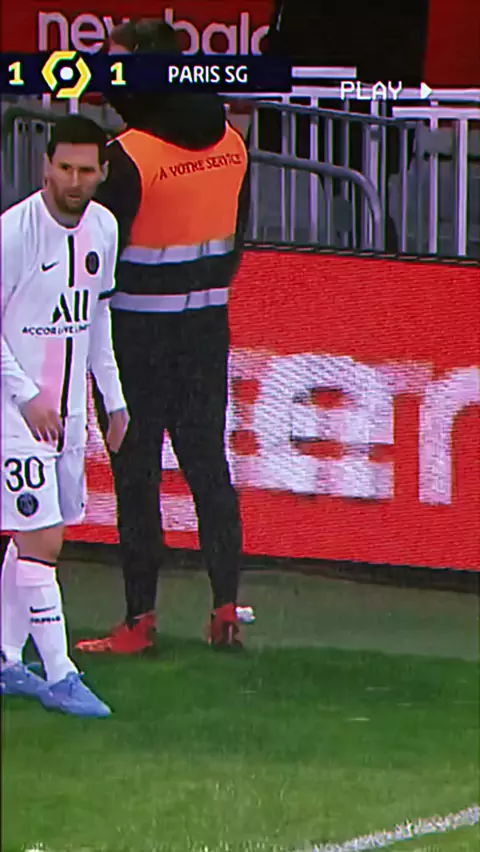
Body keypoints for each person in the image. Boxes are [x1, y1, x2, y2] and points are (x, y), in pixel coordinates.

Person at [74, 18, 250, 656]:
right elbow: (237, 240)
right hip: (205, 330)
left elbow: (95, 261)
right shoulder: (233, 141)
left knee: (136, 476)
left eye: (118, 65)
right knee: (209, 469)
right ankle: (225, 611)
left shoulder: (126, 158)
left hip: (136, 339)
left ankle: (138, 622)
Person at [0, 115, 129, 716]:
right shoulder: (13, 234)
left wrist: (114, 397)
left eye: (86, 170)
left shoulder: (104, 228)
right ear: (45, 166)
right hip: (14, 410)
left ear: (102, 172)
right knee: (42, 539)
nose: (74, 181)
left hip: (68, 413)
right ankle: (59, 675)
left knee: (32, 533)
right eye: (64, 168)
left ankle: (6, 658)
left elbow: (97, 317)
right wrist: (26, 395)